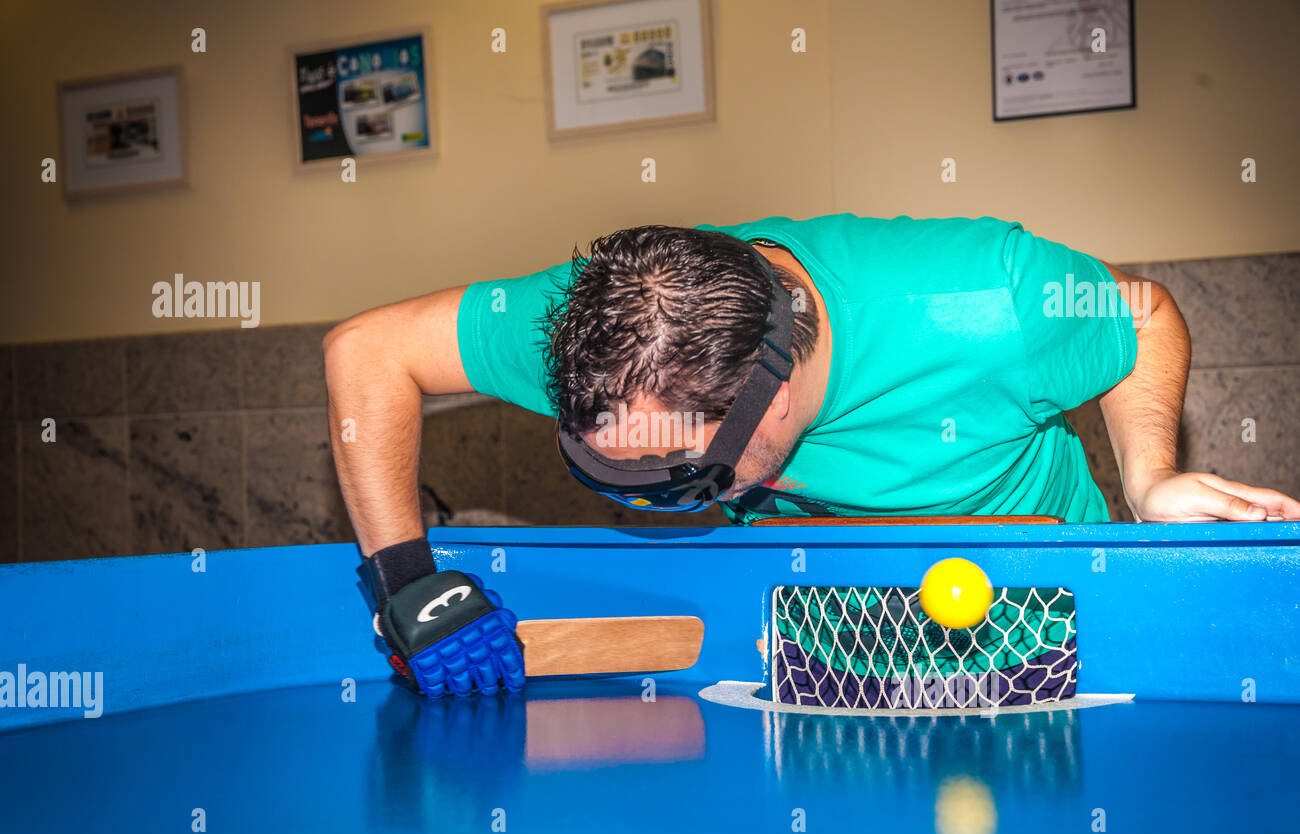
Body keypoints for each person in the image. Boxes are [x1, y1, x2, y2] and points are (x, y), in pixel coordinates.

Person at [325, 214, 1300, 697]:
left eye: (693, 477)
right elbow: (363, 350)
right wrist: (410, 586)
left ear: (777, 387)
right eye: (622, 473)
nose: (669, 500)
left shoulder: (992, 302)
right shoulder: (612, 326)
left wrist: (1151, 475)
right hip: (808, 632)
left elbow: (1141, 313)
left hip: (1032, 613)